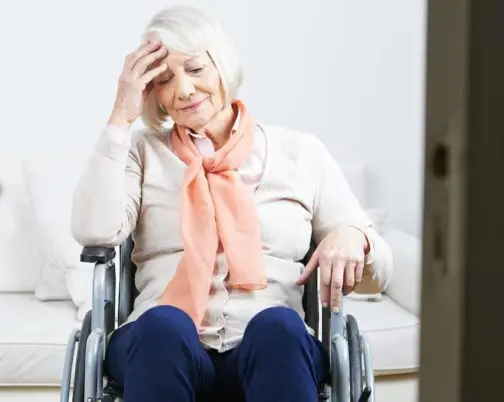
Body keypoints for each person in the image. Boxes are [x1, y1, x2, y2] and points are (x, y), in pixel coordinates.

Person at [71, 5, 394, 402]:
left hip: (269, 349)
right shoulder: (142, 152)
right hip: (163, 347)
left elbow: (379, 271)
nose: (185, 90)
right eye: (165, 80)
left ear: (220, 63)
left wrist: (352, 237)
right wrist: (120, 116)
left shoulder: (300, 152)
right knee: (164, 327)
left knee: (278, 326)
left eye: (195, 69)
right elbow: (94, 230)